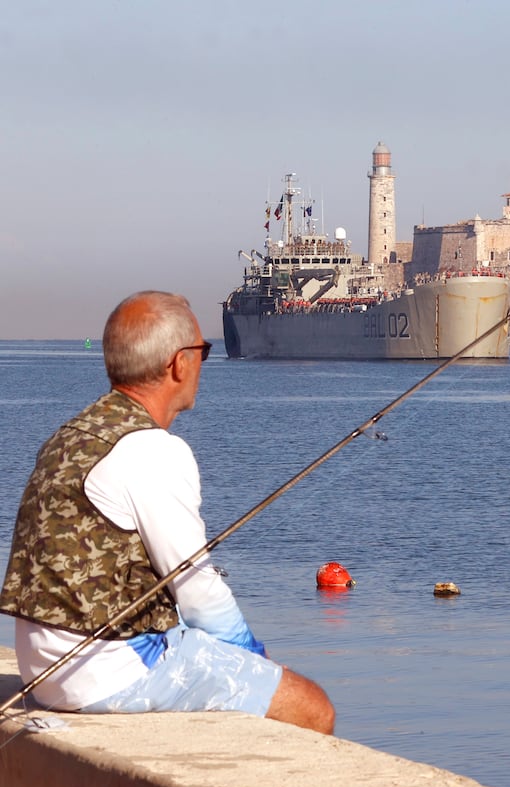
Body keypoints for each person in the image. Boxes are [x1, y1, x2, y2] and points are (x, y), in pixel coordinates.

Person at [1, 291, 334, 733]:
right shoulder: (152, 451)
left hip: (44, 667)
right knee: (312, 706)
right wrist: (253, 659)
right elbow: (197, 591)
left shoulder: (70, 435)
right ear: (180, 363)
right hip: (105, 670)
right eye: (203, 352)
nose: (202, 364)